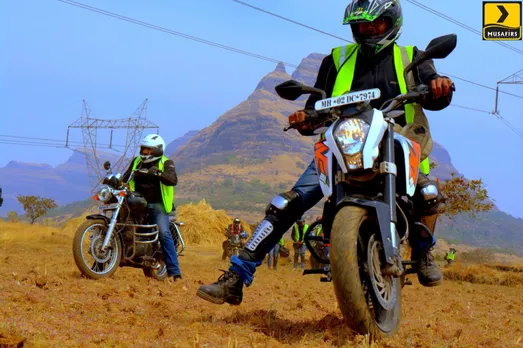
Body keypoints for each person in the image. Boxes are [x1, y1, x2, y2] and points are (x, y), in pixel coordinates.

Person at [197, 0, 454, 305]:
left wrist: (440, 85)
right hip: (344, 143)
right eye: (361, 25)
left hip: (393, 138)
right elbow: (315, 106)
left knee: (426, 192)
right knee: (286, 203)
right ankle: (235, 278)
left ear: (391, 22)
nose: (368, 30)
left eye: (375, 23)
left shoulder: (412, 57)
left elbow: (434, 95)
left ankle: (423, 254)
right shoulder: (336, 59)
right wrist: (304, 118)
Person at [122, 134, 182, 282]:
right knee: (120, 223)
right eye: (143, 149)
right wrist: (118, 182)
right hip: (136, 202)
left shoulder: (166, 162)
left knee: (164, 233)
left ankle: (175, 272)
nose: (144, 152)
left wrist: (159, 173)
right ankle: (102, 262)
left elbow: (173, 180)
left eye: (148, 150)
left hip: (157, 204)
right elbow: (126, 177)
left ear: (156, 150)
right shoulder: (136, 161)